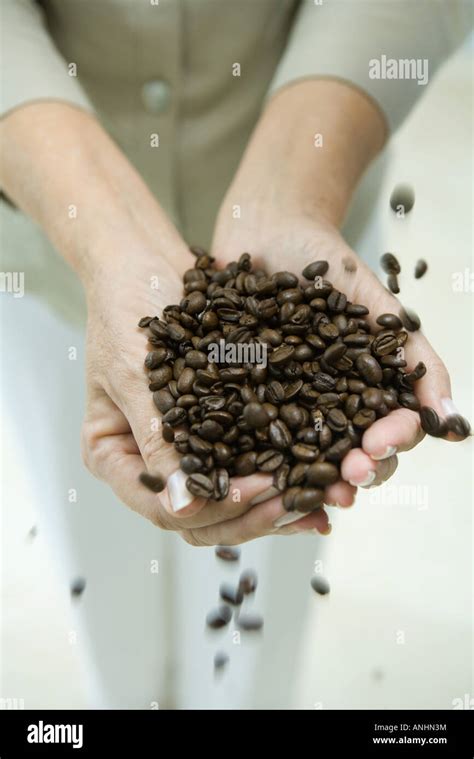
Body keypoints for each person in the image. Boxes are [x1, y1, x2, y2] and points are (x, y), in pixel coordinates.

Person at [1, 0, 471, 708]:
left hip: (321, 176)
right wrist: (96, 224)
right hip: (44, 241)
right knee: (99, 567)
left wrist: (298, 183)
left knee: (263, 565)